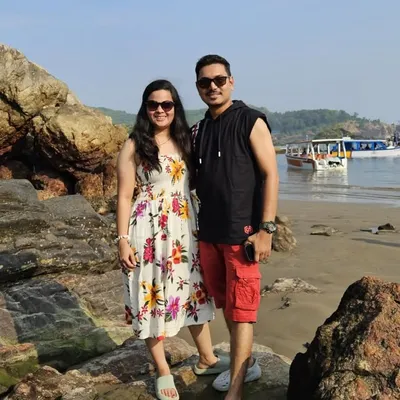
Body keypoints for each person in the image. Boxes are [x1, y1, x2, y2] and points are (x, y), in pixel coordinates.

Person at [116, 79, 229, 400]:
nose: (160, 110)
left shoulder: (187, 140)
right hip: (147, 230)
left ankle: (207, 358)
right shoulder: (134, 145)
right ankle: (163, 369)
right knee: (150, 294)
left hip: (185, 230)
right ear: (145, 108)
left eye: (167, 104)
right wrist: (122, 239)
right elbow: (124, 196)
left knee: (193, 291)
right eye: (153, 104)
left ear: (175, 107)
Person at [191, 55, 279, 399]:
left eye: (219, 80)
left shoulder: (250, 120)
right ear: (198, 87)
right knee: (227, 304)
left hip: (242, 233)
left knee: (242, 310)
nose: (212, 87)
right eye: (205, 82)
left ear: (231, 81)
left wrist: (266, 229)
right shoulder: (200, 129)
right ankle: (246, 364)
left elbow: (271, 174)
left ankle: (236, 390)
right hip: (209, 233)